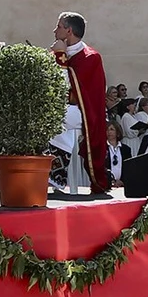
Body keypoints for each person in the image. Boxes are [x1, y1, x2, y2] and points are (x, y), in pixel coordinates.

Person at [51, 12, 111, 195]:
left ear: (69, 31)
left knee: (45, 118)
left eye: (59, 26)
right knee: (44, 116)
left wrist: (59, 56)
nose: (54, 30)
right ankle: (52, 177)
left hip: (83, 111)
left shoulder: (90, 57)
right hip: (65, 109)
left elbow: (67, 84)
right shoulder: (59, 50)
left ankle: (47, 175)